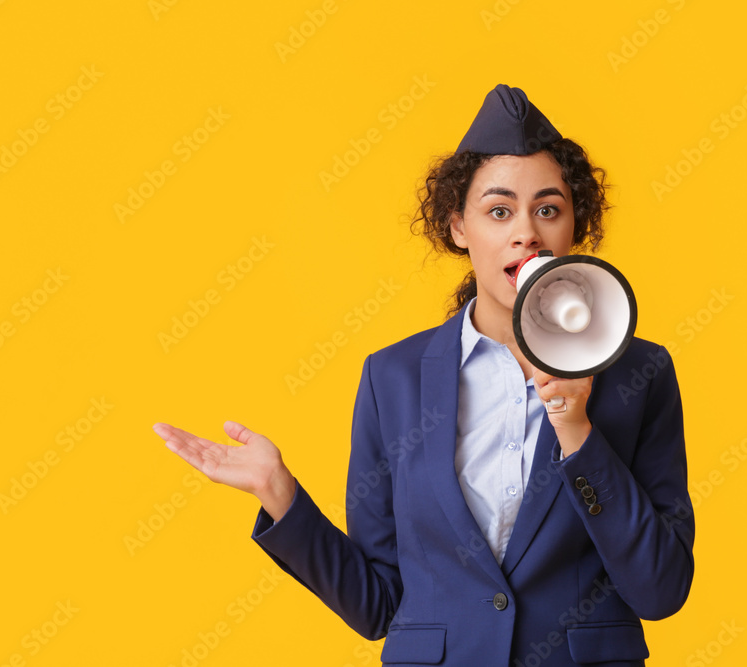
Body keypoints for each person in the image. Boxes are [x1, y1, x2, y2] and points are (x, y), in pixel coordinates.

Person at [153, 84, 694, 666]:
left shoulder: (639, 373)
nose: (526, 232)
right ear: (459, 228)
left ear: (572, 229)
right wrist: (281, 497)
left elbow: (659, 590)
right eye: (499, 210)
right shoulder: (393, 379)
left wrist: (576, 427)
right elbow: (379, 605)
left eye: (548, 209)